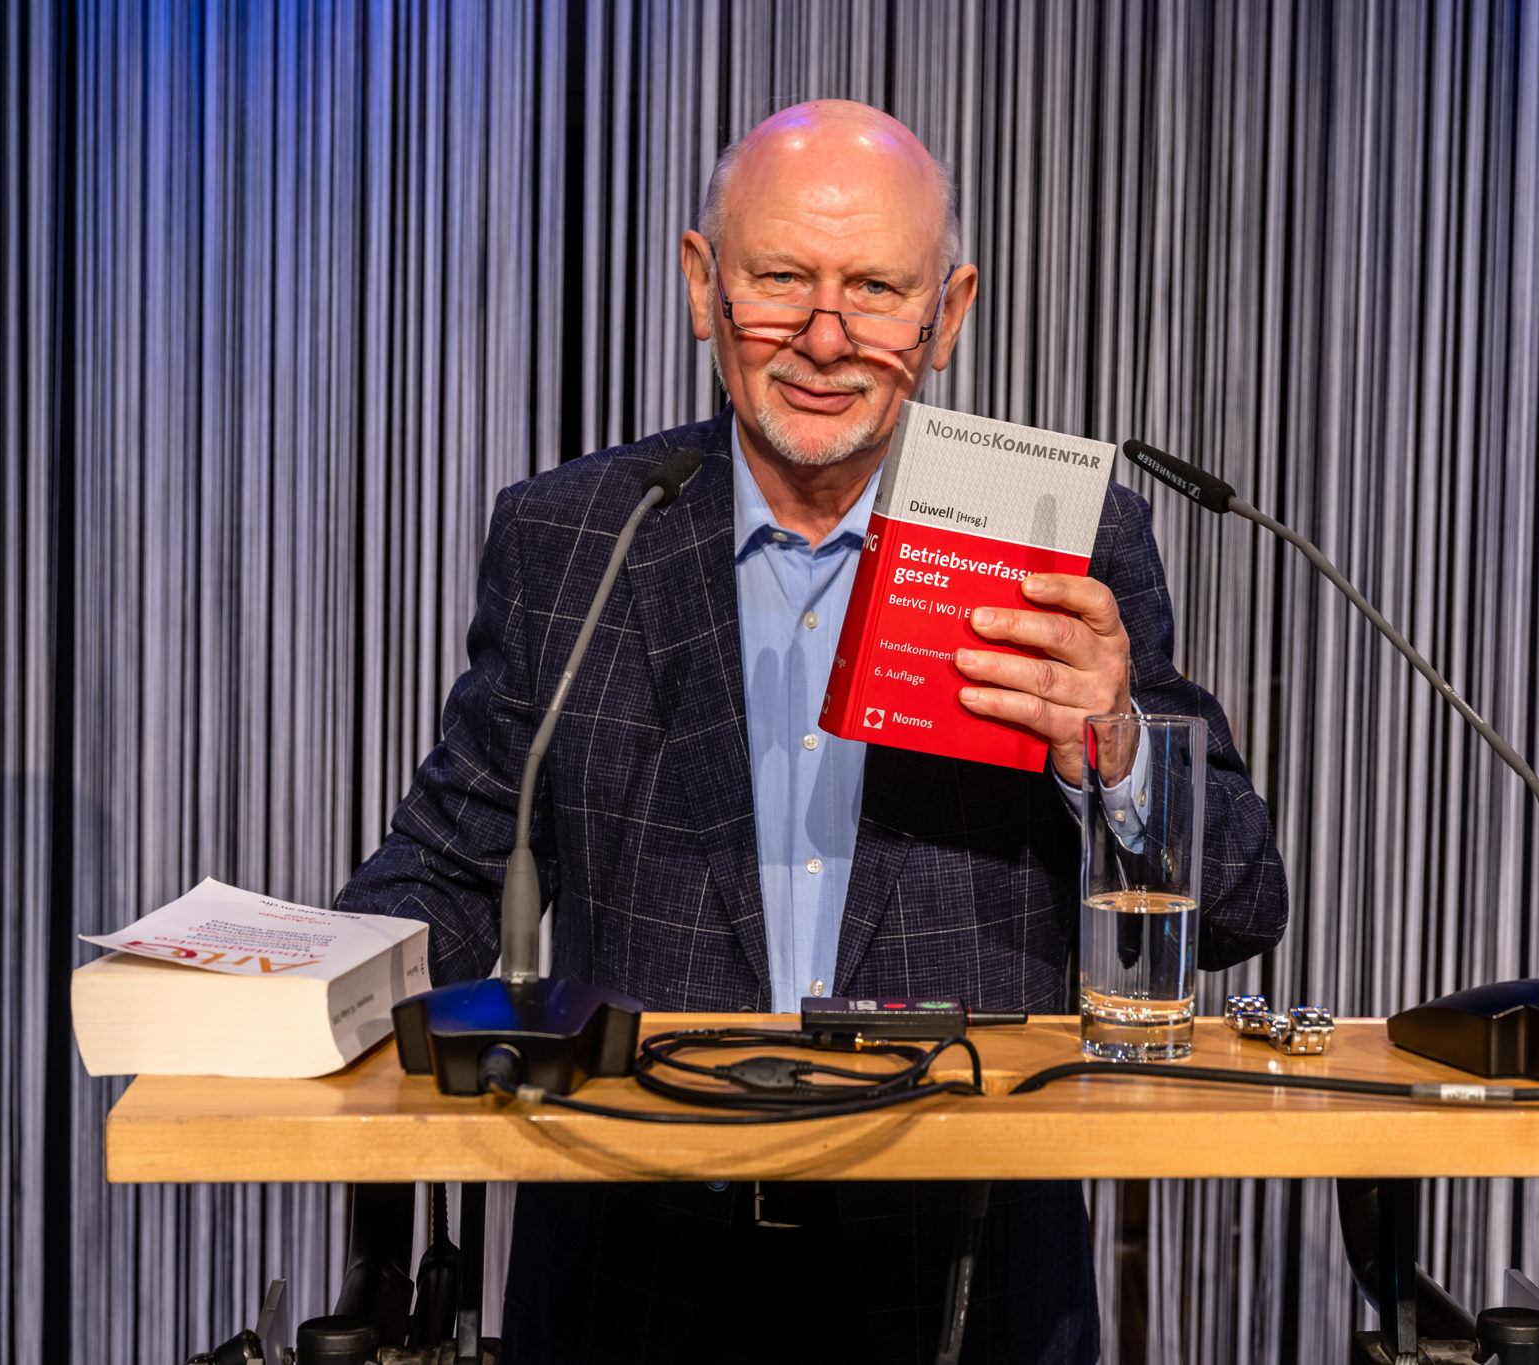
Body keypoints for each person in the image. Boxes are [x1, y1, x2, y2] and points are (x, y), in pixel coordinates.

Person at [336, 100, 1288, 1364]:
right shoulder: (572, 534)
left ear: (946, 313)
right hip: (635, 1259)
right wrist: (307, 980)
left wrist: (1114, 752)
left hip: (966, 1268)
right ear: (702, 285)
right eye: (780, 279)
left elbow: (1235, 908)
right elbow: (455, 867)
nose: (826, 338)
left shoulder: (1061, 535)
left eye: (876, 290)